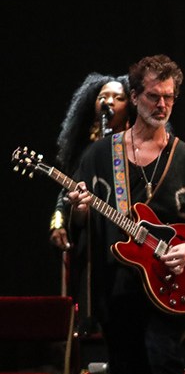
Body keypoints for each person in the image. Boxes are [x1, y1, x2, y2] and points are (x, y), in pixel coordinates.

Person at [66, 54, 185, 374]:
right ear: (135, 96)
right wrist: (79, 211)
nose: (162, 105)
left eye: (169, 97)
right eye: (154, 96)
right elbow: (78, 221)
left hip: (169, 283)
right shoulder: (99, 155)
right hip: (118, 287)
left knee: (164, 361)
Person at [50, 74, 132, 252]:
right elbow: (67, 190)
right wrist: (58, 224)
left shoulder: (136, 150)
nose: (108, 102)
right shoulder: (87, 151)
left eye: (119, 98)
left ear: (131, 106)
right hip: (93, 245)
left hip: (129, 243)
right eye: (102, 97)